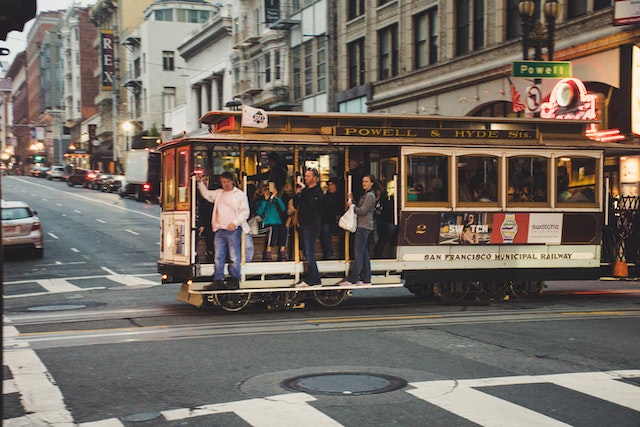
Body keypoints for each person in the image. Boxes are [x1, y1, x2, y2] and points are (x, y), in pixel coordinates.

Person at [196, 171, 251, 290]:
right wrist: (200, 183)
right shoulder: (219, 193)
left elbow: (245, 212)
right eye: (223, 182)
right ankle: (218, 279)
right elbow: (207, 195)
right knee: (219, 256)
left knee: (234, 256)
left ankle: (235, 278)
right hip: (220, 229)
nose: (225, 184)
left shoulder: (239, 194)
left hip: (233, 229)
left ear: (231, 181)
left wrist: (234, 223)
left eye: (226, 182)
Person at [339, 174, 377, 286]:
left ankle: (353, 279)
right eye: (363, 181)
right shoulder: (367, 195)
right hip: (364, 226)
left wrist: (352, 206)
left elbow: (363, 210)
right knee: (364, 253)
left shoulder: (370, 196)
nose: (364, 183)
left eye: (366, 181)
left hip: (364, 227)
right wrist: (353, 200)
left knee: (359, 253)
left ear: (371, 183)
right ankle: (366, 279)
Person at [293, 168, 323, 287]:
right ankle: (314, 278)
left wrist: (304, 191)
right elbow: (296, 204)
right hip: (304, 223)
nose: (306, 178)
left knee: (310, 252)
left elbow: (314, 205)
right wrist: (297, 194)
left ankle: (314, 279)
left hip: (312, 224)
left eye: (309, 176)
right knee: (307, 251)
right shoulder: (305, 191)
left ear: (315, 178)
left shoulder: (317, 191)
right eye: (305, 176)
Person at [255, 184, 288, 261]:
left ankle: (282, 251)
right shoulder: (259, 201)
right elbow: (259, 212)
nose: (268, 192)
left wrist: (276, 197)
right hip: (265, 225)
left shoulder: (274, 201)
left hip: (277, 224)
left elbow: (283, 209)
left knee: (284, 228)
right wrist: (265, 200)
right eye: (265, 190)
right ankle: (268, 251)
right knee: (273, 228)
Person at [320, 178, 343, 259]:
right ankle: (329, 252)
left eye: (332, 185)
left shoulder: (341, 197)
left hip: (339, 222)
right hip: (328, 221)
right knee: (325, 228)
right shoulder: (325, 197)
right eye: (329, 185)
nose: (330, 187)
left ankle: (342, 255)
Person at [373, 181, 396, 259]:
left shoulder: (386, 200)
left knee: (390, 228)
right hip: (373, 222)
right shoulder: (370, 198)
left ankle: (378, 251)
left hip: (383, 222)